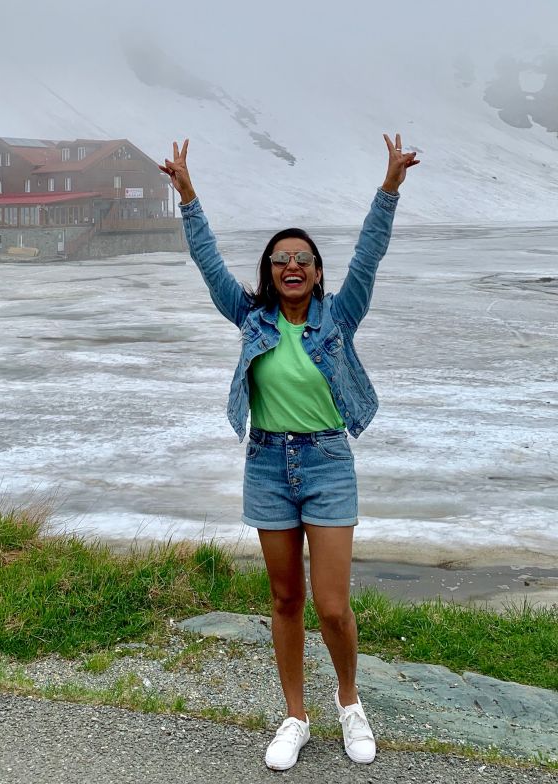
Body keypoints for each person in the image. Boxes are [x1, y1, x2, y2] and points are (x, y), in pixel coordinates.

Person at [160, 135, 418, 771]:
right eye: (280, 260)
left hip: (328, 464)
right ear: (269, 272)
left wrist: (388, 189)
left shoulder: (340, 315)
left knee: (331, 603)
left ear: (318, 271)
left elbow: (369, 257)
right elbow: (208, 264)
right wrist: (188, 196)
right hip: (268, 465)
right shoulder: (251, 318)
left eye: (302, 258)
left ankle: (350, 704)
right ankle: (294, 716)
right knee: (284, 600)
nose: (292, 266)